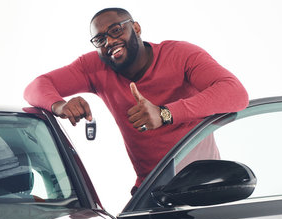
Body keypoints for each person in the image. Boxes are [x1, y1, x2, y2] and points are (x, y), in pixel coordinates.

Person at [24, 7, 249, 193]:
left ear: (136, 28)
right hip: (151, 189)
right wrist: (60, 105)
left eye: (115, 30)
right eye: (100, 39)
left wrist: (165, 113)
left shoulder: (181, 55)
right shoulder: (94, 67)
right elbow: (35, 87)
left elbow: (236, 93)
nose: (109, 41)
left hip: (204, 182)